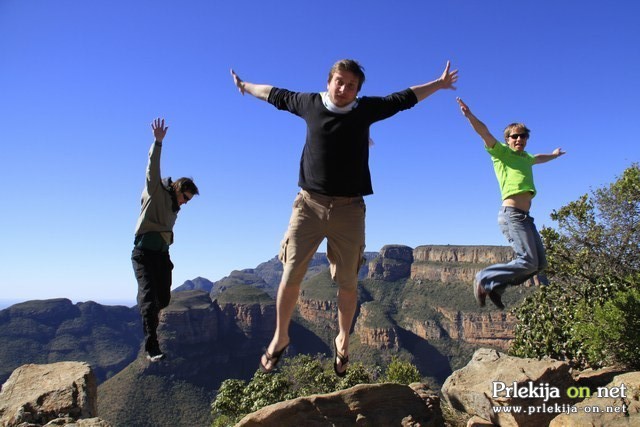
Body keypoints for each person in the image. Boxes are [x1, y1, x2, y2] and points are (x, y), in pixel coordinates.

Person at [231, 59, 458, 376]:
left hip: (350, 211)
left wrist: (439, 83)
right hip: (308, 206)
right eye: (339, 81)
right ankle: (280, 337)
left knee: (348, 282)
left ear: (357, 91)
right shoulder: (308, 103)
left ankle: (342, 337)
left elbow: (404, 98)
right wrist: (245, 86)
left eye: (351, 85)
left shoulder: (365, 111)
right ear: (329, 81)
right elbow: (272, 93)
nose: (344, 88)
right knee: (291, 274)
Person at [456, 97, 565, 309]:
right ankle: (483, 278)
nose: (519, 139)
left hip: (526, 218)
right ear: (507, 139)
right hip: (512, 214)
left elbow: (539, 158)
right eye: (514, 136)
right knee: (528, 261)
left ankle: (497, 287)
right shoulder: (501, 154)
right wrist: (470, 116)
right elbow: (484, 132)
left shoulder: (526, 157)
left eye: (523, 136)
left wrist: (553, 155)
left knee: (539, 264)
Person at [132, 118, 199, 362]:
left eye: (188, 201)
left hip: (162, 255)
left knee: (164, 298)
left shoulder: (173, 206)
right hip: (144, 254)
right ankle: (151, 346)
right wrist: (157, 143)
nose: (185, 203)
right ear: (177, 188)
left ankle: (148, 308)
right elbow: (152, 169)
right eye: (185, 198)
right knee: (150, 300)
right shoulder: (156, 191)